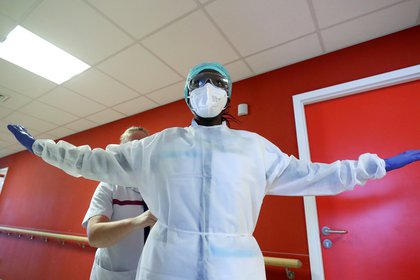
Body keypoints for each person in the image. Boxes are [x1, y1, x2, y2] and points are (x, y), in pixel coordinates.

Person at [7, 62, 420, 280]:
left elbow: (316, 175)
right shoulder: (160, 145)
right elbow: (94, 160)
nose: (208, 88)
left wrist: (371, 167)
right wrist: (44, 149)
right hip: (166, 265)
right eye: (200, 82)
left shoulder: (254, 150)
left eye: (216, 82)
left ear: (227, 95)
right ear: (188, 96)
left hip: (234, 267)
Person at [82, 126, 157, 280]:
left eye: (142, 145)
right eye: (131, 146)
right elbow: (95, 236)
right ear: (121, 152)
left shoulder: (159, 186)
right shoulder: (109, 185)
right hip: (112, 275)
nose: (136, 151)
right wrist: (138, 221)